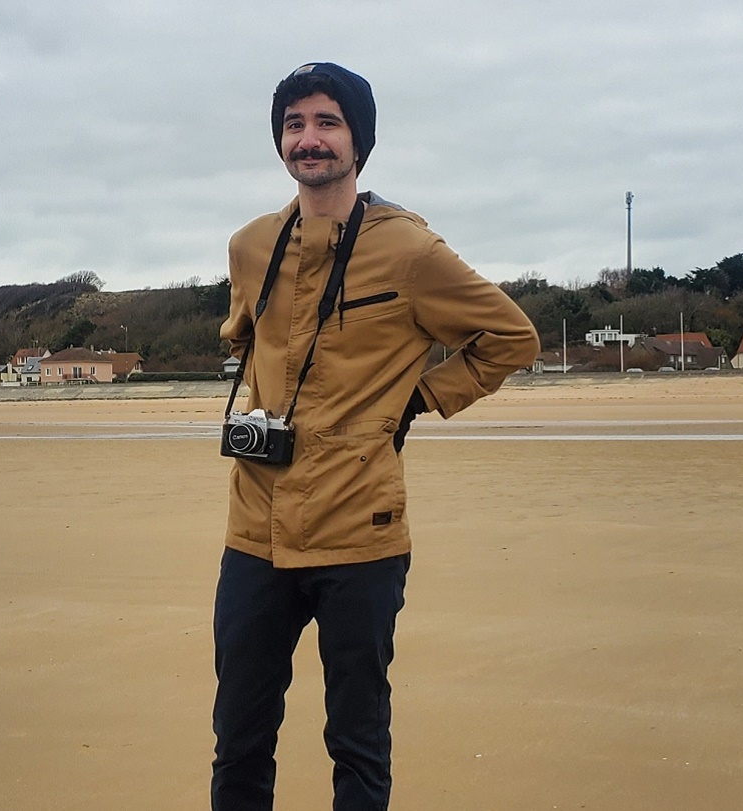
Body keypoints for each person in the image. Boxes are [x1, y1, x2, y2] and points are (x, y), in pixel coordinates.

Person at [211, 62, 539, 811]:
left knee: (357, 737)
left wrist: (421, 398)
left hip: (362, 529)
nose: (309, 139)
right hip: (253, 529)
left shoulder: (409, 250)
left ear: (358, 138)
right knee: (239, 735)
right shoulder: (251, 245)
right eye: (294, 124)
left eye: (327, 121)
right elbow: (243, 336)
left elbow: (510, 337)